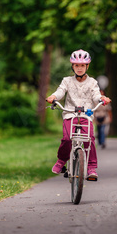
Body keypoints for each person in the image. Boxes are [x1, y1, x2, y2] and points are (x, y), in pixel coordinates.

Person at [46, 49, 111, 180]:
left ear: (87, 66)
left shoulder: (92, 82)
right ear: (73, 66)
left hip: (86, 115)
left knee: (90, 139)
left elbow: (96, 95)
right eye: (77, 65)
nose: (79, 68)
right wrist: (53, 96)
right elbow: (61, 91)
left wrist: (101, 99)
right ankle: (61, 160)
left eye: (82, 65)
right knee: (66, 138)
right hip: (70, 114)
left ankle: (91, 168)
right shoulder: (67, 81)